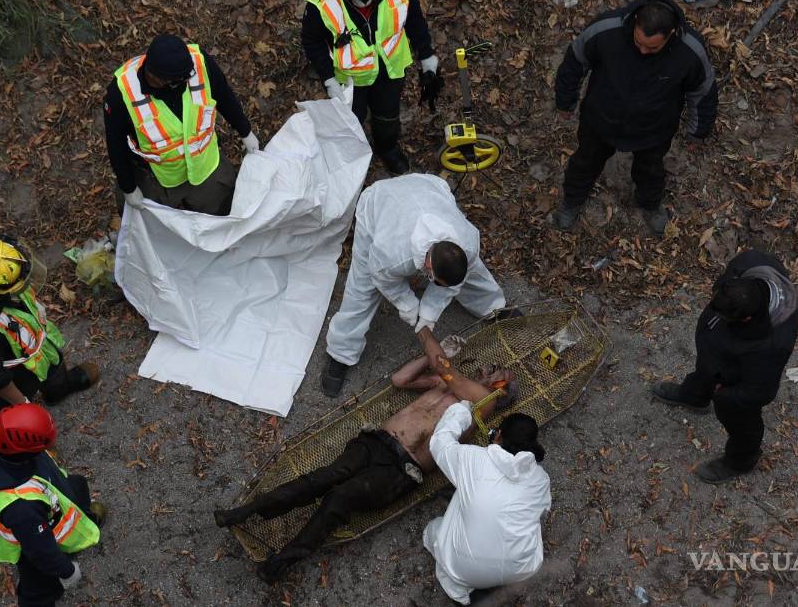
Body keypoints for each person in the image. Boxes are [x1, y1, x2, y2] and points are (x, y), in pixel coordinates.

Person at [214, 328, 517, 583]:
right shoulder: (446, 383)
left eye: (500, 372)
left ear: (500, 388)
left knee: (339, 499)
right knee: (321, 479)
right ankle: (247, 511)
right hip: (376, 440)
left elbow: (444, 367)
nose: (493, 368)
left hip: (401, 468)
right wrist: (428, 356)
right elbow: (401, 380)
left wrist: (422, 327)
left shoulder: (484, 404)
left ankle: (281, 562)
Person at [323, 174, 510, 396]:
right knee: (362, 289)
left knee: (472, 272)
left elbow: (450, 284)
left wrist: (428, 316)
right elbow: (383, 279)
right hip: (378, 204)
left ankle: (493, 307)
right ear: (428, 265)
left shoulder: (468, 242)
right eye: (434, 280)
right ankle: (341, 352)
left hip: (428, 188)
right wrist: (412, 311)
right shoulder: (392, 255)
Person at [552, 0, 718, 235]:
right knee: (585, 162)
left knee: (651, 170)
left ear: (670, 34)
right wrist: (565, 102)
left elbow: (703, 93)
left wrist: (697, 132)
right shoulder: (606, 29)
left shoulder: (690, 51)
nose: (642, 50)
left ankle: (650, 205)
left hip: (654, 129)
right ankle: (572, 201)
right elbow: (575, 62)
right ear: (636, 20)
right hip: (600, 120)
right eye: (638, 42)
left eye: (652, 47)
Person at [651, 249, 798, 483]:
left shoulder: (773, 343)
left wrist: (726, 396)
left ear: (746, 319)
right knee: (704, 372)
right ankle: (695, 396)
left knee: (742, 419)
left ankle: (742, 460)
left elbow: (759, 391)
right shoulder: (750, 263)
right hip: (716, 357)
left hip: (737, 379)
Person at [302, 0, 442, 175]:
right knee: (350, 120)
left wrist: (427, 55)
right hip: (350, 79)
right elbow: (312, 41)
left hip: (389, 69)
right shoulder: (321, 0)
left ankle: (387, 148)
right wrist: (329, 79)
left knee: (387, 114)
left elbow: (414, 17)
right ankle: (352, 158)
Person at [0, 231, 99, 416]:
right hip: (15, 377)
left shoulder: (7, 278)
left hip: (41, 352)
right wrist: (23, 405)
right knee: (10, 413)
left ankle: (58, 391)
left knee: (54, 373)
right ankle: (21, 435)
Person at [104, 34, 259, 216]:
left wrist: (245, 131)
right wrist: (128, 187)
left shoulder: (199, 63)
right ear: (159, 79)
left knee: (222, 211)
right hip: (158, 176)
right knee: (152, 225)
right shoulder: (121, 93)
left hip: (204, 165)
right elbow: (116, 143)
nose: (188, 81)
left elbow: (224, 95)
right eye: (180, 81)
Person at [0, 403, 104, 606]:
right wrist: (67, 571)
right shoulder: (22, 506)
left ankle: (87, 517)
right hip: (30, 544)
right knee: (39, 589)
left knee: (77, 484)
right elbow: (41, 551)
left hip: (49, 493)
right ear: (24, 454)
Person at [423, 409, 551, 604]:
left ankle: (466, 590)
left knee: (433, 529)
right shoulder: (541, 479)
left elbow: (439, 443)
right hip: (520, 569)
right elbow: (540, 511)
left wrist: (462, 410)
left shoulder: (473, 458)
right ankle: (497, 574)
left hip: (464, 569)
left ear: (498, 435)